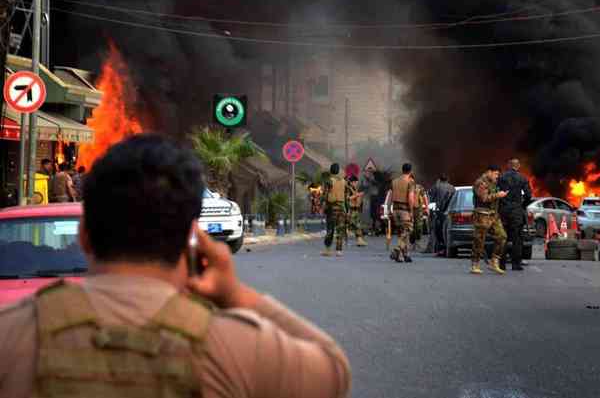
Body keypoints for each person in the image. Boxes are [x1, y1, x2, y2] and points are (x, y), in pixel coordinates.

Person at [0, 134, 351, 398]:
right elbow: (333, 372)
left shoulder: (12, 335)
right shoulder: (235, 346)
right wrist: (235, 294)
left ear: (84, 235)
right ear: (192, 236)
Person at [471, 165, 508, 275]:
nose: (497, 176)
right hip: (482, 215)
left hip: (493, 215)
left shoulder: (494, 183)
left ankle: (494, 261)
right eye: (496, 174)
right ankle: (475, 264)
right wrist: (498, 195)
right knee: (479, 240)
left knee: (502, 236)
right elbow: (484, 198)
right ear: (489, 172)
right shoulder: (481, 182)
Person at [497, 158, 532, 271]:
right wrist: (522, 205)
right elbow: (528, 195)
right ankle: (516, 264)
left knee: (503, 237)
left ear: (508, 165)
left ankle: (501, 264)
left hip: (503, 210)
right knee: (517, 238)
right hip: (516, 211)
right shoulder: (522, 178)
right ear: (518, 166)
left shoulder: (501, 177)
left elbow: (495, 192)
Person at [389, 163, 416, 263]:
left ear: (402, 170)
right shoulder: (410, 182)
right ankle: (396, 249)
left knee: (402, 233)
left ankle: (404, 255)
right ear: (410, 171)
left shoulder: (394, 181)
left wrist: (389, 210)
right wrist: (411, 211)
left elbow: (390, 196)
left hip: (395, 209)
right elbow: (410, 198)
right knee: (407, 230)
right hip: (405, 210)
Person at [322, 163, 348, 257]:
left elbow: (325, 195)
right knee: (340, 229)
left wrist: (323, 206)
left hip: (331, 207)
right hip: (341, 208)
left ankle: (328, 249)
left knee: (330, 229)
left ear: (331, 170)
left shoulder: (329, 181)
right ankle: (339, 250)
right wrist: (347, 210)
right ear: (338, 171)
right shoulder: (343, 181)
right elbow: (346, 196)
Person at [427, 174, 456, 255]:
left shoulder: (436, 186)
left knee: (436, 230)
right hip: (448, 212)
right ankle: (443, 248)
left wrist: (432, 211)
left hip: (438, 212)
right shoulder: (452, 188)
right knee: (445, 231)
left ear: (439, 179)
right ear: (448, 179)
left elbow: (431, 199)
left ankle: (435, 248)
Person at [347, 175, 367, 247]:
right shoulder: (349, 189)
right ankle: (359, 240)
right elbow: (348, 198)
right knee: (355, 225)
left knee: (357, 225)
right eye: (355, 182)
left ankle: (359, 240)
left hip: (356, 209)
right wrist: (358, 195)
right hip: (351, 210)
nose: (356, 184)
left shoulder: (354, 188)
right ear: (352, 182)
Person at [410, 175, 429, 251]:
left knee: (418, 227)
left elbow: (424, 197)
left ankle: (417, 242)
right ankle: (412, 243)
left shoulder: (419, 187)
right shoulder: (406, 188)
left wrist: (427, 207)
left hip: (418, 210)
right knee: (410, 227)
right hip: (409, 210)